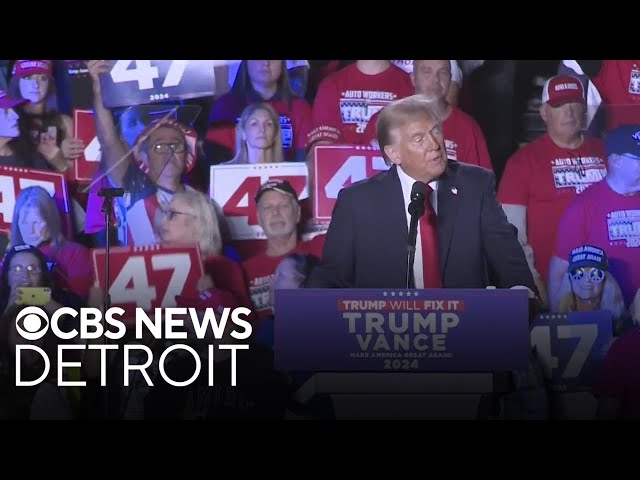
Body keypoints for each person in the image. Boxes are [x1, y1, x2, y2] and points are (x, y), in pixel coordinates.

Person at [306, 94, 537, 293]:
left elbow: (507, 254)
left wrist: (522, 291)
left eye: (435, 132)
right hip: (384, 334)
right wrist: (301, 306)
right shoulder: (357, 203)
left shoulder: (474, 185)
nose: (434, 144)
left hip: (466, 331)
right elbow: (333, 275)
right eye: (419, 139)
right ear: (394, 154)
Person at [498, 75, 608, 308]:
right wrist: (533, 280)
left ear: (584, 110)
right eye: (559, 106)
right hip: (553, 285)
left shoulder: (607, 152)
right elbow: (510, 232)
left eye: (574, 104)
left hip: (610, 280)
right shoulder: (522, 163)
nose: (569, 113)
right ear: (544, 112)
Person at [549, 124, 640, 312]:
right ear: (616, 161)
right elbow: (561, 270)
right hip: (603, 322)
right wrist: (557, 324)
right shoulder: (583, 206)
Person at [363, 60, 493, 170]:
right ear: (413, 79)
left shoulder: (467, 127)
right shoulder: (386, 121)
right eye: (427, 72)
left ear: (450, 78)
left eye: (443, 72)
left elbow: (481, 185)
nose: (436, 80)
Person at [10, 186, 93, 298]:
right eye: (24, 223)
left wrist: (29, 296)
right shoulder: (10, 258)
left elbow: (80, 301)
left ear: (49, 221)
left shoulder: (75, 253)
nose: (30, 230)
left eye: (36, 223)